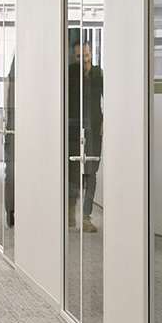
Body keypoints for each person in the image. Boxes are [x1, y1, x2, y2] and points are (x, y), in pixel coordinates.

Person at [67, 39, 103, 232]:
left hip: (94, 131)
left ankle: (86, 217)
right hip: (73, 130)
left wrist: (105, 122)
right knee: (73, 172)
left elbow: (110, 97)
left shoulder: (99, 74)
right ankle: (71, 211)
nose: (84, 59)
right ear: (75, 56)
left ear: (91, 54)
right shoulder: (70, 73)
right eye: (80, 56)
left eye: (87, 55)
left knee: (91, 173)